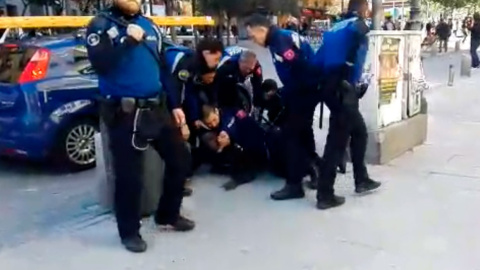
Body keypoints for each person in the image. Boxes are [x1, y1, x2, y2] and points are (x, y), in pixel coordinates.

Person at [86, 0, 194, 253]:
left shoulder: (149, 24)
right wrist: (127, 41)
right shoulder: (100, 25)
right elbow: (100, 64)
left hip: (157, 107)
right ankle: (129, 231)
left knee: (181, 159)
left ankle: (167, 214)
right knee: (129, 177)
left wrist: (176, 105)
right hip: (125, 112)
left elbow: (162, 67)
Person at [245, 13, 322, 201]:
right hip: (306, 90)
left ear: (262, 30)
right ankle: (316, 170)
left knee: (291, 136)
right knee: (303, 133)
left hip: (304, 91)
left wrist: (294, 91)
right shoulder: (281, 36)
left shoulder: (279, 39)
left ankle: (295, 184)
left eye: (253, 36)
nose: (253, 41)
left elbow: (298, 64)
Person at [315, 0, 381, 210]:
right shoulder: (358, 26)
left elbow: (318, 61)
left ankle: (361, 179)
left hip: (331, 86)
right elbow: (355, 40)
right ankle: (325, 194)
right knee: (336, 142)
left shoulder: (334, 29)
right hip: (343, 89)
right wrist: (348, 70)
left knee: (359, 132)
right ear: (363, 8)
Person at [164, 39, 224, 194]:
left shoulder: (197, 66)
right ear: (206, 53)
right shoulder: (186, 63)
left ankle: (183, 176)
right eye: (216, 58)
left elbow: (190, 93)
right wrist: (181, 120)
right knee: (176, 142)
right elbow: (175, 89)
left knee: (187, 140)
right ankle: (177, 182)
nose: (217, 63)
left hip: (177, 105)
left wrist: (195, 117)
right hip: (166, 103)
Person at [199, 105, 268, 190]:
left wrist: (225, 133)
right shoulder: (223, 115)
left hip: (256, 147)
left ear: (216, 111)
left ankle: (241, 176)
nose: (213, 124)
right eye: (209, 124)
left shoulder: (228, 115)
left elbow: (230, 123)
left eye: (214, 120)